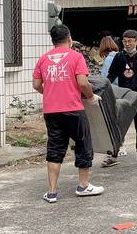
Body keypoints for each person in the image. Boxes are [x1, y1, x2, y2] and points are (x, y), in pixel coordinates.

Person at [32, 24, 104, 203]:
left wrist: (50, 93)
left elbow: (36, 84)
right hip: (73, 108)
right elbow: (82, 82)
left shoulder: (43, 59)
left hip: (51, 111)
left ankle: (52, 192)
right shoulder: (76, 56)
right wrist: (91, 96)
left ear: (53, 41)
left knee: (55, 147)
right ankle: (83, 185)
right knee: (82, 144)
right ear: (70, 39)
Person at [105, 29, 137, 169]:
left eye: (130, 41)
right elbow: (111, 75)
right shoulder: (119, 57)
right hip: (123, 97)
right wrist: (103, 86)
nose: (127, 44)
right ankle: (113, 155)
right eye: (124, 41)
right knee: (118, 126)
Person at [99, 35, 127, 158]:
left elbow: (106, 79)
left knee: (114, 120)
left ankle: (119, 147)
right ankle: (120, 145)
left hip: (114, 92)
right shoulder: (120, 56)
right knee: (120, 119)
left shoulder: (108, 59)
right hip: (123, 91)